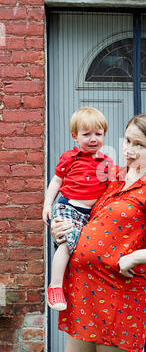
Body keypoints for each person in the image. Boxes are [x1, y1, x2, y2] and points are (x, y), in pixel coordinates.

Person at [51, 113, 146, 352]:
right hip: (83, 287)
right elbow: (82, 212)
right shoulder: (112, 176)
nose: (129, 150)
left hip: (116, 292)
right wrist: (61, 229)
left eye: (139, 145)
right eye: (127, 141)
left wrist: (134, 257)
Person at [43, 107, 113, 311]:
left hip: (89, 216)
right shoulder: (69, 158)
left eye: (98, 134)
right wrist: (47, 204)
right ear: (74, 136)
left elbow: (108, 189)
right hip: (68, 207)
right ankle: (55, 287)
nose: (93, 139)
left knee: (82, 251)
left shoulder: (106, 163)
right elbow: (56, 181)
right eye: (86, 134)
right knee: (66, 243)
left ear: (104, 135)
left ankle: (81, 294)